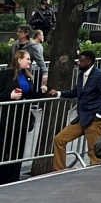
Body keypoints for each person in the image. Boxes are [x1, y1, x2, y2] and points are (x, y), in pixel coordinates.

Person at [48, 50, 101, 170]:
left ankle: (95, 176)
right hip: (83, 117)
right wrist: (59, 93)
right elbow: (76, 92)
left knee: (94, 150)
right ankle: (59, 171)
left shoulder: (99, 75)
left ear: (89, 61)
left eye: (81, 61)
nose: (78, 63)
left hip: (94, 119)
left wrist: (100, 114)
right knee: (59, 139)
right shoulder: (82, 75)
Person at [0, 51, 46, 184]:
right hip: (7, 117)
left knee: (18, 149)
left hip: (22, 118)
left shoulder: (27, 77)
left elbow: (29, 95)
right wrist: (10, 96)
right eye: (27, 59)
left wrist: (41, 93)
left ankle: (13, 178)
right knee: (4, 148)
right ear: (19, 60)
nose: (30, 62)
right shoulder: (5, 75)